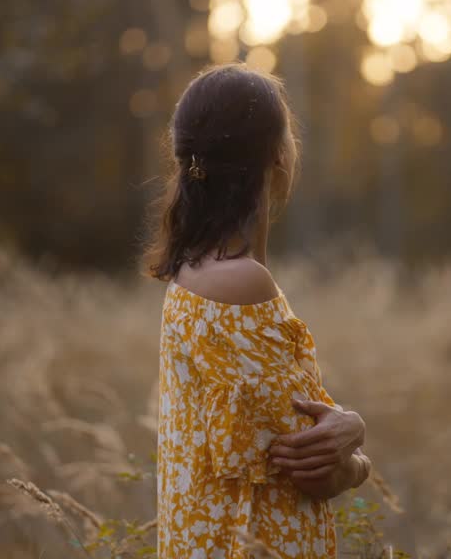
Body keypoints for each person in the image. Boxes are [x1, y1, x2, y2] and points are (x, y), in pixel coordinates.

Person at [143, 64, 371, 558]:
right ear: (278, 156)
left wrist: (347, 430)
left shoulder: (200, 273)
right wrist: (357, 451)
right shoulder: (238, 284)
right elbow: (314, 469)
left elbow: (297, 434)